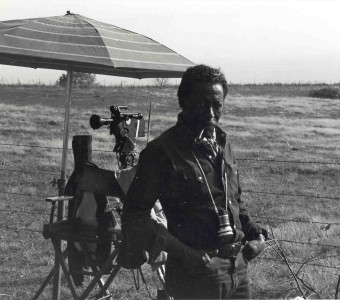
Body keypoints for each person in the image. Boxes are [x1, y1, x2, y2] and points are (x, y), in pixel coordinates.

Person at [119, 64, 268, 299]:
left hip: (238, 269)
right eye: (201, 104)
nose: (210, 113)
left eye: (216, 105)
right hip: (194, 274)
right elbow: (134, 216)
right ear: (184, 102)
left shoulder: (222, 143)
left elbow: (235, 201)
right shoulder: (161, 152)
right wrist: (185, 254)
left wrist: (257, 236)